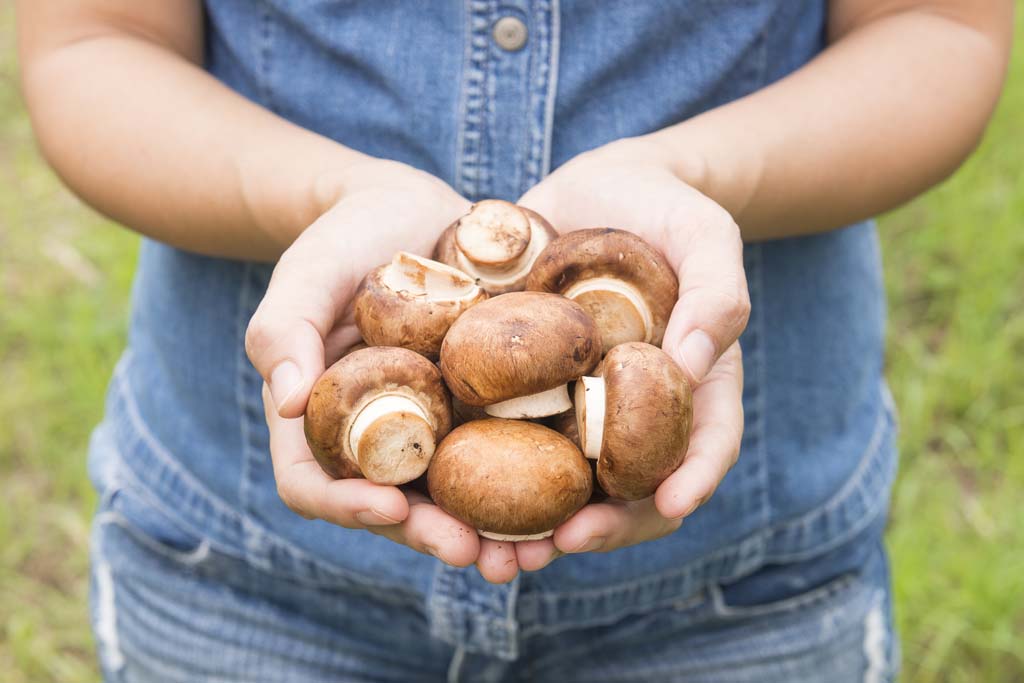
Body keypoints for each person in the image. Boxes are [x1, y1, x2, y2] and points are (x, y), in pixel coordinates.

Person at [17, 1, 1011, 681]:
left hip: (740, 588)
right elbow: (93, 42)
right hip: (246, 579)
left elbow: (934, 28)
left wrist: (694, 174)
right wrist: (328, 196)